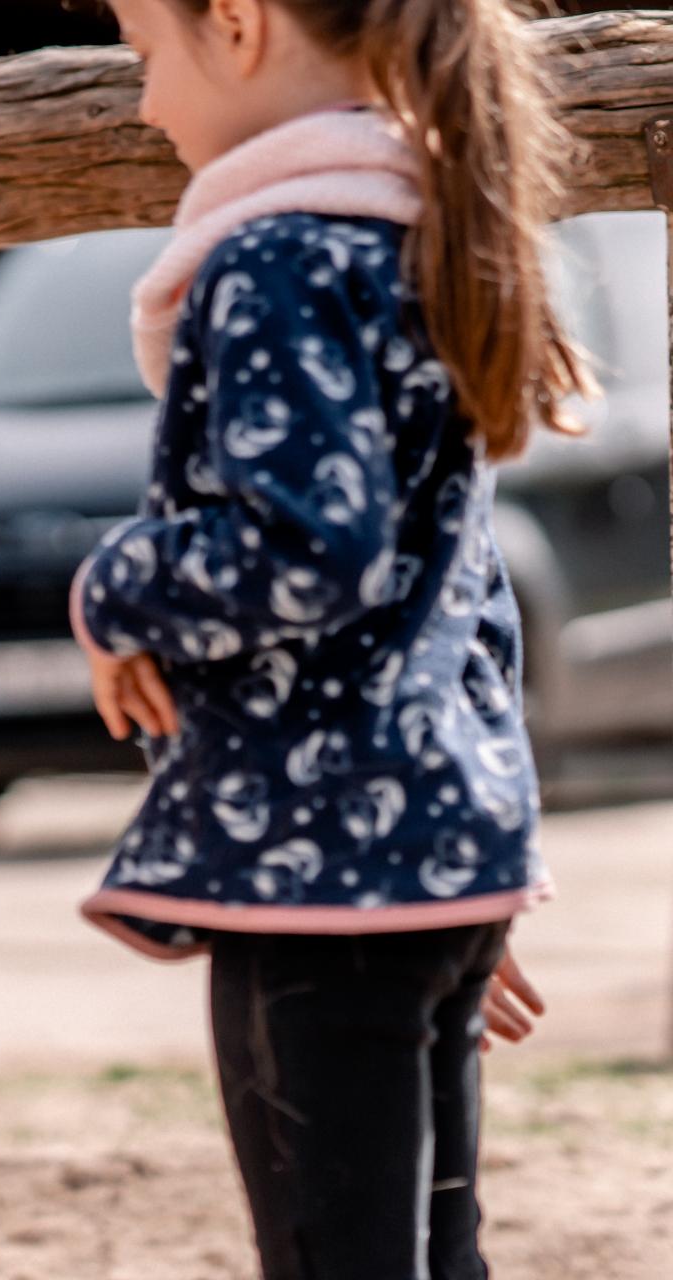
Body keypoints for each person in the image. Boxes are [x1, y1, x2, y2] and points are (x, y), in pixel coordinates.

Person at [72, 2, 578, 1275]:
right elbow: (466, 592)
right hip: (429, 846)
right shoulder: (431, 239)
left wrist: (115, 588)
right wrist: (477, 846)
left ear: (236, 25)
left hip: (317, 873)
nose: (143, 104)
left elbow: (309, 544)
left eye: (144, 58)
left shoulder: (276, 260)